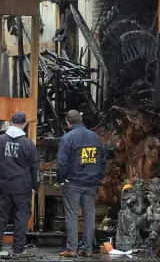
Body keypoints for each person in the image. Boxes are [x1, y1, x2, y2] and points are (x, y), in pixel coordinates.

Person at [0, 112, 40, 256]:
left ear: (11, 122)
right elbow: (35, 167)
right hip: (22, 187)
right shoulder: (29, 144)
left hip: (2, 185)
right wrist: (35, 185)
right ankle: (18, 248)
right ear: (25, 124)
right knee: (21, 217)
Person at [56, 110, 106, 258]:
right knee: (89, 216)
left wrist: (61, 179)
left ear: (67, 122)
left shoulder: (67, 138)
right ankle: (87, 249)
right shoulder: (95, 137)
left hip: (73, 182)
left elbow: (62, 162)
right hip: (90, 183)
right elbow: (102, 160)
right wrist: (98, 176)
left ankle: (71, 248)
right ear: (81, 119)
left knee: (71, 215)